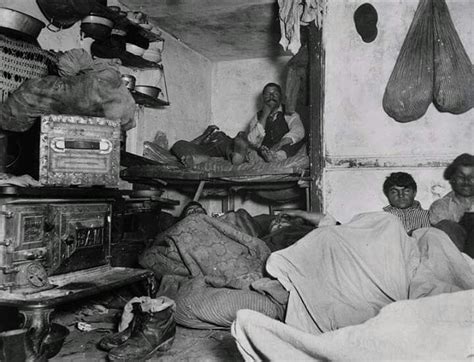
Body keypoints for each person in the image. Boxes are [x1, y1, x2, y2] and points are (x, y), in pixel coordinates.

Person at [246, 83, 306, 162]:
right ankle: (267, 156)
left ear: (280, 97)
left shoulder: (289, 112)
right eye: (268, 94)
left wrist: (280, 144)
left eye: (275, 94)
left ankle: (277, 157)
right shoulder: (258, 116)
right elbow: (253, 140)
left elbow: (298, 130)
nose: (271, 96)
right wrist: (264, 116)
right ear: (263, 97)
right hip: (267, 149)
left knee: (295, 142)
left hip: (284, 146)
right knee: (254, 147)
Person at [429, 153, 474, 254]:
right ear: (452, 179)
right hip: (455, 259)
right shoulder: (441, 206)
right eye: (461, 177)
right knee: (446, 226)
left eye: (472, 177)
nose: (466, 182)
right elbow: (447, 236)